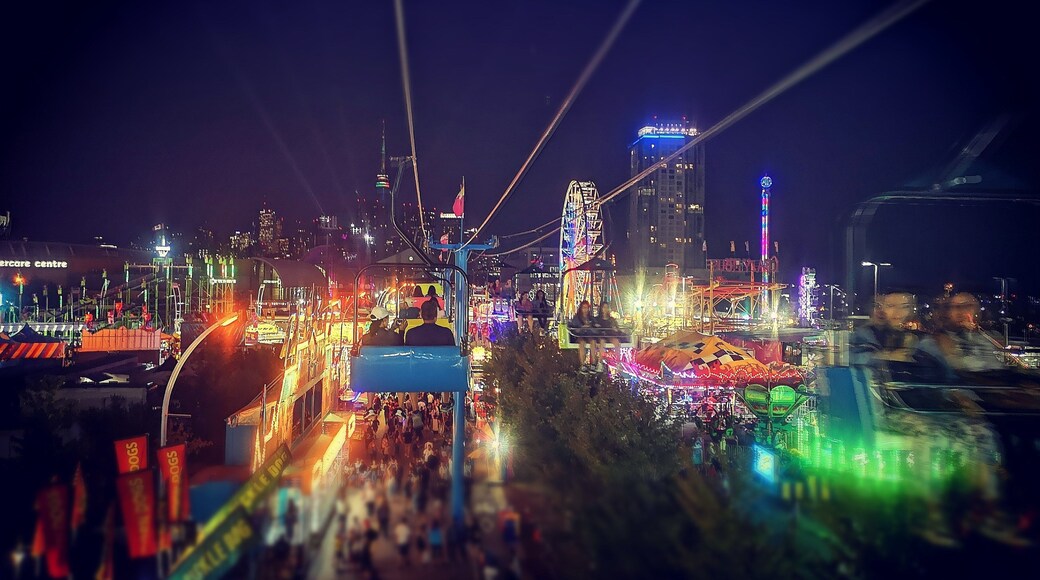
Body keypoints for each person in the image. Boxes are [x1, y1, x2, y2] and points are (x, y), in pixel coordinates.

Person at [935, 293, 1006, 372]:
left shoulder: (993, 337)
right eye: (956, 307)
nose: (961, 312)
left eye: (967, 306)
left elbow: (1001, 365)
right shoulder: (939, 342)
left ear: (978, 310)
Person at [593, 300, 621, 369]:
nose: (605, 309)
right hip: (601, 335)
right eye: (604, 307)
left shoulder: (611, 320)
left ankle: (618, 362)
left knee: (617, 343)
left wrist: (615, 329)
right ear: (601, 309)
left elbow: (616, 328)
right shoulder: (598, 319)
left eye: (607, 307)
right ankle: (600, 362)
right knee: (602, 342)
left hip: (610, 335)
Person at [569, 300, 595, 367]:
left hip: (588, 335)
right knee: (582, 343)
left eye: (587, 308)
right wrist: (583, 327)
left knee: (593, 342)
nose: (585, 310)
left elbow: (595, 328)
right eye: (584, 308)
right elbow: (574, 330)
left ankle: (593, 363)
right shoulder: (577, 318)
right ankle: (582, 364)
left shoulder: (591, 318)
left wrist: (592, 326)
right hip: (579, 336)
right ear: (581, 308)